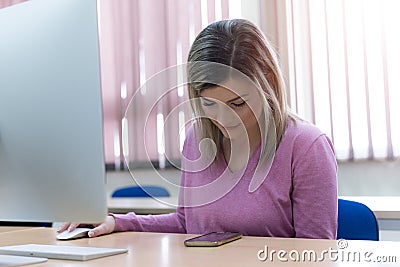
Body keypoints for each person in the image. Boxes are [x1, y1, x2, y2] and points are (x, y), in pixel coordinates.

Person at [59, 19, 337, 239]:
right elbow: (186, 223)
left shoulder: (307, 147)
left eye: (237, 103)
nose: (224, 118)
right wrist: (118, 222)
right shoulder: (197, 138)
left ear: (266, 83)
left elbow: (315, 253)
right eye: (209, 104)